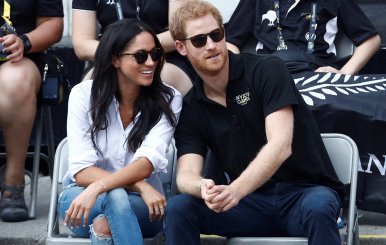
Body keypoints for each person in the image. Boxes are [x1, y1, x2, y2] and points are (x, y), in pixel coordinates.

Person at [165, 1, 344, 245]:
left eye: (216, 35)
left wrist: (235, 190)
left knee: (319, 207)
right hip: (250, 204)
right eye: (199, 40)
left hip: (303, 194)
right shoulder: (192, 105)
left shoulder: (267, 70)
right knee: (179, 207)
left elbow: (280, 145)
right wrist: (203, 187)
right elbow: (185, 174)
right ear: (181, 47)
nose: (211, 46)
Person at [58, 19, 182, 244]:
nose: (151, 62)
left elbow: (146, 163)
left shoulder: (169, 99)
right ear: (115, 59)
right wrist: (138, 184)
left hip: (143, 205)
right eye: (140, 56)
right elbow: (82, 171)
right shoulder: (83, 95)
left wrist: (100, 186)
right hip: (81, 198)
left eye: (155, 54)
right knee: (114, 197)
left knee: (105, 222)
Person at [0, 0, 63, 222]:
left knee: (15, 80)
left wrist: (24, 42)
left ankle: (14, 180)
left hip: (19, 60)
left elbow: (53, 24)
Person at [72, 0, 195, 96]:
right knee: (88, 88)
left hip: (163, 56)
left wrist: (140, 49)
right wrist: (123, 53)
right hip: (112, 57)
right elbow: (81, 44)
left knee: (159, 80)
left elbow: (180, 33)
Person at [225, 0, 381, 75]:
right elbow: (230, 42)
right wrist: (242, 74)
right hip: (268, 74)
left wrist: (344, 73)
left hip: (316, 73)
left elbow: (371, 40)